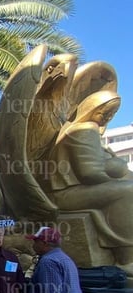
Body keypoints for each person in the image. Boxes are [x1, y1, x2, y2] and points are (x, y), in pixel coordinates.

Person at [40, 90, 133, 273]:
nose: (107, 117)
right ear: (90, 109)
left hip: (76, 192)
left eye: (112, 114)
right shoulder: (85, 129)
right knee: (127, 191)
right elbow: (89, 173)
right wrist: (115, 168)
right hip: (67, 194)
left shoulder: (89, 133)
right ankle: (126, 258)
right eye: (104, 113)